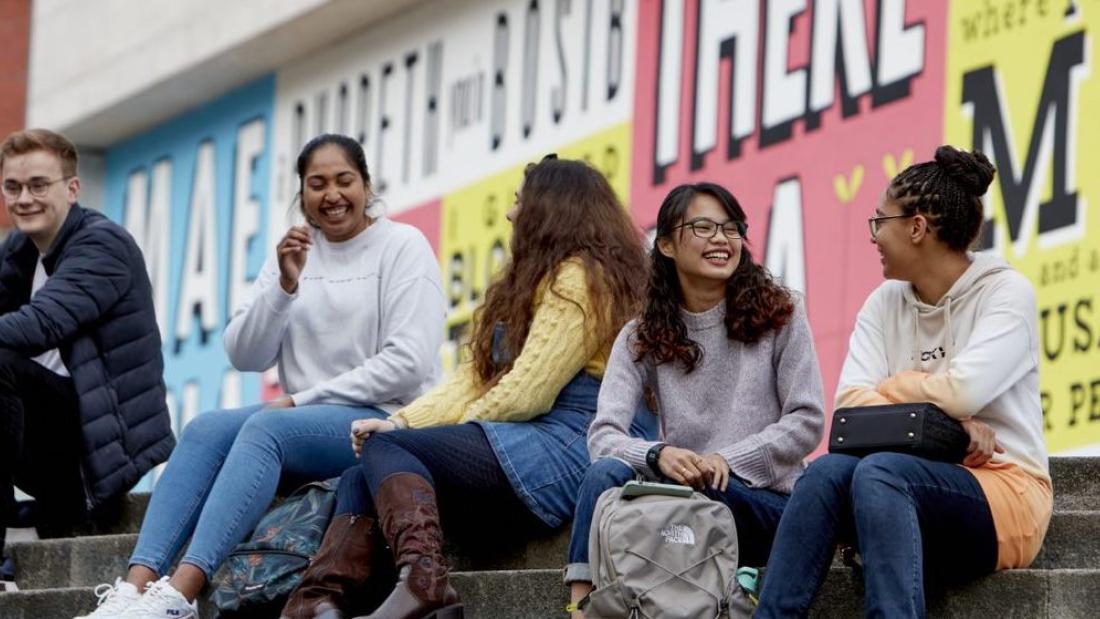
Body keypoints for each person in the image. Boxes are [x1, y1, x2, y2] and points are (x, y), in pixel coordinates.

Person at [78, 134, 446, 619]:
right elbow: (243, 352)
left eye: (344, 181)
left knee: (266, 427)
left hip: (382, 422)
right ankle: (135, 587)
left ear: (366, 184)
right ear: (302, 193)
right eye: (317, 184)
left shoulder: (402, 246)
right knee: (206, 428)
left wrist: (300, 400)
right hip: (308, 421)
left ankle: (181, 594)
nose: (332, 195)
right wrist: (285, 286)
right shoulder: (296, 250)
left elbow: (409, 363)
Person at [279, 156, 655, 619]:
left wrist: (434, 438)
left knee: (390, 451)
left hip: (574, 444)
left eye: (520, 202)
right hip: (531, 436)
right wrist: (399, 422)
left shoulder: (581, 278)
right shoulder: (528, 283)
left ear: (550, 210)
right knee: (364, 470)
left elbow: (526, 394)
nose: (511, 214)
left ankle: (425, 584)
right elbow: (470, 382)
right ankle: (320, 602)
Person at [755, 146, 1052, 618]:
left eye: (880, 222)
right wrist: (953, 428)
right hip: (899, 494)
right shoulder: (883, 302)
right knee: (826, 474)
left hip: (1004, 491)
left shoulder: (1005, 293)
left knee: (879, 471)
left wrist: (900, 388)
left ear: (917, 228)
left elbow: (964, 392)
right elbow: (851, 406)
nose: (873, 236)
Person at [564, 182, 826, 616]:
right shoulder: (640, 335)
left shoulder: (783, 312)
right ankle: (581, 606)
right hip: (683, 497)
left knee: (710, 499)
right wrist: (657, 455)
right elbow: (603, 437)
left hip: (760, 502)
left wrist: (729, 460)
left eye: (731, 228)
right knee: (604, 475)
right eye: (703, 227)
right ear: (666, 244)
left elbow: (806, 420)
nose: (722, 240)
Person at [0, 128, 174, 589]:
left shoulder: (103, 245)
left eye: (39, 185)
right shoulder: (18, 251)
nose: (24, 198)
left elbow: (40, 326)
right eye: (13, 187)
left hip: (94, 456)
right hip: (46, 433)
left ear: (72, 189)